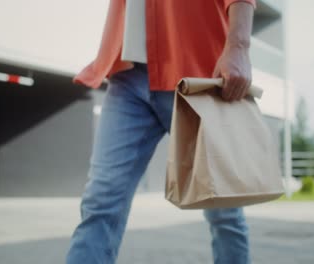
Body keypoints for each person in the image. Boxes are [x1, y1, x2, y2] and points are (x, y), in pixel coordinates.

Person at [66, 0, 256, 263]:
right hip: (127, 77)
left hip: (195, 75)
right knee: (101, 200)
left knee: (223, 209)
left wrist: (239, 46)